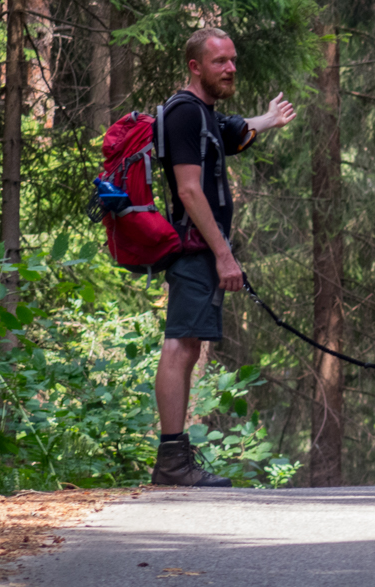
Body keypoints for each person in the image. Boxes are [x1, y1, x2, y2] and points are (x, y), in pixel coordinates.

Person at [150, 27, 297, 487]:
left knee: (190, 343)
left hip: (202, 249)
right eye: (220, 62)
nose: (231, 67)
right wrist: (224, 255)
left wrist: (268, 119)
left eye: (233, 60)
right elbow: (190, 189)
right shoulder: (183, 114)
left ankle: (175, 459)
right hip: (195, 248)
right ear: (195, 67)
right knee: (180, 344)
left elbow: (234, 132)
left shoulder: (205, 115)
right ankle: (172, 460)